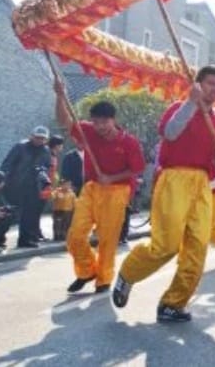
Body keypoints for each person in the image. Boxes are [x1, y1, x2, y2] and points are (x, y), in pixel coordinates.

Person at [113, 66, 215, 323]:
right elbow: (170, 132)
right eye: (211, 83)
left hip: (201, 184)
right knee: (166, 246)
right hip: (174, 179)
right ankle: (129, 273)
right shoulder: (179, 108)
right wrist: (190, 102)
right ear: (198, 84)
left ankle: (173, 303)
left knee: (198, 247)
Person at [52, 92, 145, 295]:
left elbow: (137, 168)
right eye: (96, 122)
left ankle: (104, 278)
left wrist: (112, 178)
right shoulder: (87, 131)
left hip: (118, 190)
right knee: (75, 234)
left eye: (104, 122)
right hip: (92, 187)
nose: (100, 126)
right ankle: (86, 271)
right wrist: (59, 96)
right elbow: (64, 120)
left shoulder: (129, 142)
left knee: (107, 238)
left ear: (113, 120)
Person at [0, 126, 53, 248]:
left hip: (33, 186)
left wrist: (43, 176)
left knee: (30, 214)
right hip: (15, 185)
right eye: (37, 137)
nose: (40, 140)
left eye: (43, 138)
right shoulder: (20, 147)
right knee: (10, 213)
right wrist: (1, 181)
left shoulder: (46, 151)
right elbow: (7, 164)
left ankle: (26, 239)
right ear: (31, 136)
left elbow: (46, 166)